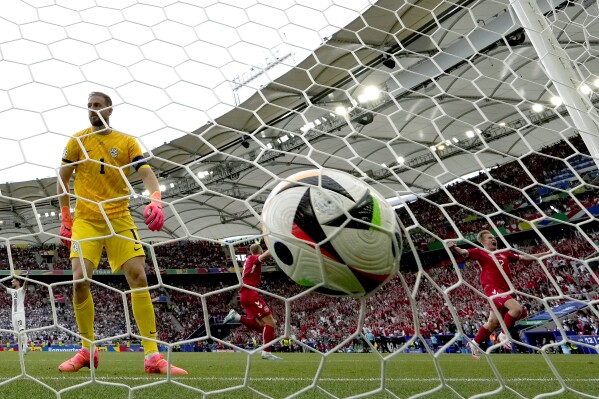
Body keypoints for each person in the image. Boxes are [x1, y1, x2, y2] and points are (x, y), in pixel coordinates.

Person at [57, 92, 187, 375]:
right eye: (89, 105)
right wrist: (66, 216)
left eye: (97, 105)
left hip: (118, 216)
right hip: (87, 220)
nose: (92, 109)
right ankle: (87, 351)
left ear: (110, 110)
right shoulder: (77, 140)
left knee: (139, 276)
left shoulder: (126, 141)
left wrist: (155, 199)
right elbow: (62, 178)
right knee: (79, 281)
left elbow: (146, 172)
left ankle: (152, 356)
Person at [448, 230, 550, 359]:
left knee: (493, 323)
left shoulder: (504, 252)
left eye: (494, 237)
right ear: (484, 242)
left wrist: (544, 254)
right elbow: (463, 252)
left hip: (506, 290)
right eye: (490, 237)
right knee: (516, 309)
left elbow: (523, 257)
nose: (493, 239)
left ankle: (474, 343)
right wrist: (453, 247)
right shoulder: (480, 251)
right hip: (492, 288)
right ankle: (503, 334)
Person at [223, 243, 282, 360]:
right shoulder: (253, 257)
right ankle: (266, 353)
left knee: (262, 327)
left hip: (246, 294)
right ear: (259, 250)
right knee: (271, 322)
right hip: (250, 294)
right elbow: (264, 256)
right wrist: (276, 246)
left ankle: (237, 317)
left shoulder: (251, 260)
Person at [5, 273, 29, 354]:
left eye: (13, 281)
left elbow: (25, 284)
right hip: (13, 314)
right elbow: (4, 288)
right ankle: (21, 349)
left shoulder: (21, 290)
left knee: (22, 330)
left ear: (18, 282)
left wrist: (27, 276)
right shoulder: (12, 291)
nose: (12, 282)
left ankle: (25, 348)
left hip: (20, 313)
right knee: (17, 334)